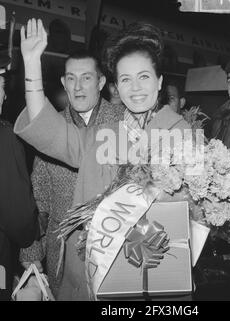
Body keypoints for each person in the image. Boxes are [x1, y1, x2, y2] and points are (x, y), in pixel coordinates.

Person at [14, 19, 190, 300]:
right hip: (91, 275)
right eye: (125, 79)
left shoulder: (179, 132)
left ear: (159, 82)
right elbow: (46, 128)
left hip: (153, 275)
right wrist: (32, 62)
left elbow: (192, 216)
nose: (135, 88)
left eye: (143, 77)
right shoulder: (100, 136)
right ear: (116, 88)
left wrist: (139, 232)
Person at [19, 50, 125, 298]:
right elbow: (39, 197)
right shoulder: (49, 130)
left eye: (86, 78)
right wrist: (32, 254)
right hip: (63, 257)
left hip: (116, 253)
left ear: (100, 83)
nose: (78, 86)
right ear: (63, 83)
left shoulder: (125, 123)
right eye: (71, 78)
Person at [0, 55, 39, 301]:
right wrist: (33, 230)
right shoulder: (4, 138)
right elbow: (18, 217)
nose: (4, 96)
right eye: (1, 88)